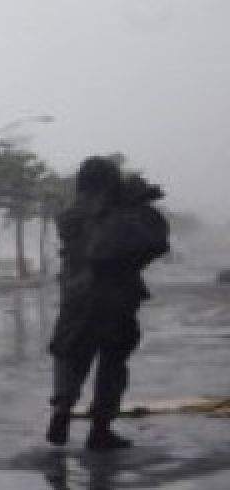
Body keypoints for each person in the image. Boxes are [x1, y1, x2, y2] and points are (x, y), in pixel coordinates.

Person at [45, 156, 170, 451]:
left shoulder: (71, 215)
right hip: (115, 299)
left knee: (70, 357)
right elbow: (147, 245)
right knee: (112, 364)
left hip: (77, 299)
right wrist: (134, 202)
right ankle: (100, 428)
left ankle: (61, 412)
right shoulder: (119, 214)